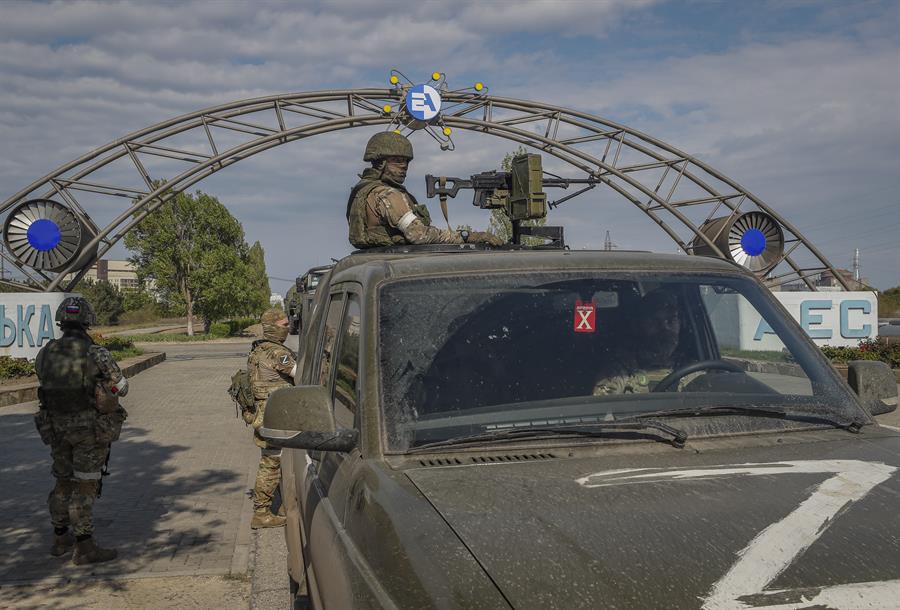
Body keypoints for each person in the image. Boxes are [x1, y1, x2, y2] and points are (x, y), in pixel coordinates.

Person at [33, 296, 128, 564]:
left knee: (62, 480)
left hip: (55, 428)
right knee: (85, 484)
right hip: (88, 431)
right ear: (87, 320)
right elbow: (122, 387)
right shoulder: (97, 353)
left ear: (62, 320)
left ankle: (60, 538)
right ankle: (85, 547)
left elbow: (43, 380)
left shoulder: (46, 352)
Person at [347, 132, 504, 248]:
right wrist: (467, 236)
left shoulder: (363, 190)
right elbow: (418, 234)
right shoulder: (388, 194)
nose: (404, 167)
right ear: (380, 163)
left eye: (406, 162)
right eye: (398, 161)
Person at [247, 308, 297, 528]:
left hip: (264, 414)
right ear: (274, 327)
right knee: (271, 463)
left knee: (275, 460)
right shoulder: (278, 353)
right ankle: (262, 513)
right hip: (275, 417)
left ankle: (283, 504)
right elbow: (301, 373)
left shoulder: (258, 350)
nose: (288, 328)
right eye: (284, 325)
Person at [593, 288, 684, 395]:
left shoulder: (690, 366)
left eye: (671, 320)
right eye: (654, 321)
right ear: (638, 326)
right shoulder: (620, 371)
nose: (665, 328)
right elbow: (603, 406)